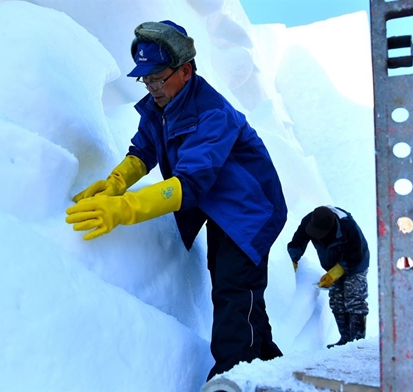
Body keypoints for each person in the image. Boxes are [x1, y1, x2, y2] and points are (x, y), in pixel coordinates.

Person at [65, 20, 288, 380]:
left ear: (185, 70)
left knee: (234, 290)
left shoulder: (212, 114)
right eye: (146, 79)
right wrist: (115, 183)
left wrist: (125, 208)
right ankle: (272, 369)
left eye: (157, 77)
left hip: (251, 211)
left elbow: (191, 184)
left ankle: (233, 379)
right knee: (240, 292)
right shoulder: (163, 104)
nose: (152, 87)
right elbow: (144, 149)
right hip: (221, 207)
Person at [287, 206, 369, 348]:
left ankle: (358, 343)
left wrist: (336, 272)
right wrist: (292, 262)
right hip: (331, 264)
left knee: (354, 299)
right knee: (337, 301)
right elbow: (296, 244)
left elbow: (355, 255)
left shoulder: (347, 226)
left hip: (356, 264)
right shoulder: (310, 221)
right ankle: (345, 340)